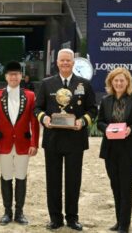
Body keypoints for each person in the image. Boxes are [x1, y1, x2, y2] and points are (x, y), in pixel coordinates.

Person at [34, 48, 97, 231]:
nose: (65, 63)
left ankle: (72, 218)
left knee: (73, 181)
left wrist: (82, 121)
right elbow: (37, 108)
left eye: (68, 60)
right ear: (57, 62)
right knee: (53, 180)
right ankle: (55, 218)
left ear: (73, 62)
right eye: (62, 60)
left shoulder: (84, 84)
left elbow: (93, 109)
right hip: (53, 139)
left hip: (75, 139)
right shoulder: (47, 84)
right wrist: (44, 118)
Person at [0, 61, 40, 226]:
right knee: (6, 177)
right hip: (3, 143)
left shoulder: (30, 96)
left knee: (21, 177)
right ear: (6, 77)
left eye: (16, 74)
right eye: (10, 74)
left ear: (20, 76)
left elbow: (34, 122)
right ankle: (7, 212)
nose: (13, 77)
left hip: (24, 144)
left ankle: (19, 212)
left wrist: (34, 143)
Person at [97, 68, 132, 233]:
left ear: (128, 82)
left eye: (122, 80)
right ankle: (119, 221)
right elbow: (100, 122)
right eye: (116, 80)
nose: (119, 83)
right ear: (111, 82)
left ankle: (125, 225)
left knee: (126, 187)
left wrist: (130, 129)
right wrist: (107, 128)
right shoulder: (106, 100)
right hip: (110, 149)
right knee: (115, 186)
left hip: (129, 149)